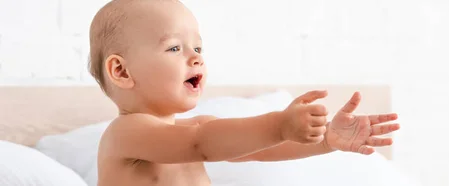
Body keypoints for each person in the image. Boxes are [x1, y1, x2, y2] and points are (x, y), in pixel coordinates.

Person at [87, 0, 400, 185]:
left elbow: (262, 149)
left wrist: (327, 140)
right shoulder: (125, 133)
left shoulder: (196, 129)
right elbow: (201, 143)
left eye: (198, 47)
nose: (196, 57)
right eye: (174, 47)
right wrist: (279, 124)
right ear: (122, 72)